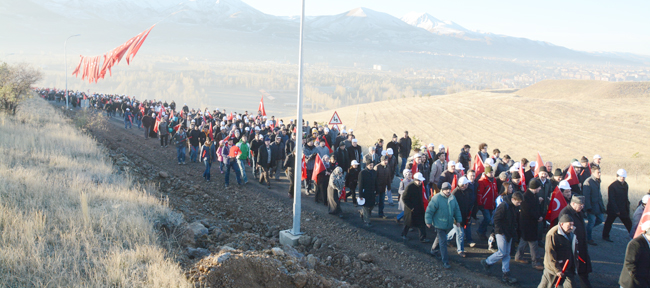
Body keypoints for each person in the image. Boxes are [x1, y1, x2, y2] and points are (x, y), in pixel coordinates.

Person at [481, 191, 523, 285]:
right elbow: (496, 219)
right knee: (502, 252)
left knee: (507, 253)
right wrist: (500, 231)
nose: (519, 204)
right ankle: (487, 262)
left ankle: (506, 273)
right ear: (513, 199)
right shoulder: (504, 206)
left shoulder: (512, 207)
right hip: (502, 232)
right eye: (518, 202)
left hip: (509, 233)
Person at [426, 182, 463, 269]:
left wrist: (458, 220)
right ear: (442, 190)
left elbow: (456, 210)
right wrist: (428, 221)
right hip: (439, 223)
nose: (448, 191)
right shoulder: (436, 198)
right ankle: (445, 261)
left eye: (449, 189)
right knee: (443, 242)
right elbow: (430, 210)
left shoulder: (452, 198)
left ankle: (433, 250)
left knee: (439, 237)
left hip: (448, 223)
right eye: (446, 189)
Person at [559, 196, 593, 288]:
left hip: (581, 245)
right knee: (568, 271)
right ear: (573, 204)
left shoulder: (579, 212)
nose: (582, 207)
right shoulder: (565, 213)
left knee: (583, 270)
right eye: (580, 205)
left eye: (583, 205)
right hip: (571, 247)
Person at [537, 214, 578, 288]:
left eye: (572, 225)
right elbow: (550, 253)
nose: (572, 227)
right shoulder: (552, 234)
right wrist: (557, 270)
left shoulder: (572, 232)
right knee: (546, 285)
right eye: (569, 225)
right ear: (561, 224)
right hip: (553, 268)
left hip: (568, 267)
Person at [515, 179, 544, 270]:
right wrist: (537, 217)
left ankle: (518, 256)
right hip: (528, 224)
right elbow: (528, 211)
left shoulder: (533, 195)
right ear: (535, 188)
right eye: (539, 187)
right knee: (533, 243)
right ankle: (536, 262)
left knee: (524, 240)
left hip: (529, 224)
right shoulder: (526, 197)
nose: (540, 188)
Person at [603, 169, 632, 242]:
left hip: (623, 208)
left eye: (623, 177)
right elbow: (611, 199)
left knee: (628, 223)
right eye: (621, 176)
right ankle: (605, 236)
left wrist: (627, 207)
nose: (622, 178)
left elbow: (626, 197)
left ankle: (633, 236)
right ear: (617, 176)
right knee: (609, 223)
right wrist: (616, 210)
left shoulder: (626, 185)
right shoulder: (612, 186)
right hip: (613, 208)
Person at [447, 176, 473, 258]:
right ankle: (460, 250)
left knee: (456, 230)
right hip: (457, 217)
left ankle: (446, 239)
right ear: (463, 185)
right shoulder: (455, 193)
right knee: (460, 233)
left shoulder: (466, 191)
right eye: (466, 184)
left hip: (464, 215)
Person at [619, 221, 650, 288]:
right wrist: (639, 281)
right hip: (631, 284)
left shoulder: (647, 243)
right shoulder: (636, 243)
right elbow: (630, 264)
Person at [401, 172, 429, 242]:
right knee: (408, 223)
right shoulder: (410, 187)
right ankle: (403, 234)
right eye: (419, 181)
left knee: (421, 223)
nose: (420, 182)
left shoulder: (420, 186)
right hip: (410, 209)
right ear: (415, 180)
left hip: (419, 208)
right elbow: (404, 198)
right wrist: (411, 207)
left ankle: (422, 237)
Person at [582, 165, 604, 245]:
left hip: (597, 205)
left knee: (600, 220)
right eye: (598, 172)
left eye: (600, 172)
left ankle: (585, 230)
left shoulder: (597, 181)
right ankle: (588, 238)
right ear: (593, 172)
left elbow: (599, 194)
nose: (600, 174)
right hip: (591, 206)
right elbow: (586, 196)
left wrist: (602, 206)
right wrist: (588, 207)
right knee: (591, 222)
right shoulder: (588, 182)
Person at [477, 166, 498, 240]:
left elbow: (495, 191)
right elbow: (480, 193)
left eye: (492, 172)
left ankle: (483, 232)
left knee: (489, 218)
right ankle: (480, 230)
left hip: (491, 203)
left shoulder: (494, 180)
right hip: (485, 204)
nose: (491, 174)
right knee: (487, 218)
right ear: (486, 173)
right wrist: (480, 203)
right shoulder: (482, 181)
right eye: (490, 172)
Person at [358, 160, 378, 227]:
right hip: (365, 192)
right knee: (366, 206)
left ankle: (362, 212)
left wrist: (377, 191)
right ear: (367, 165)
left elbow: (376, 182)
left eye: (372, 165)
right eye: (370, 165)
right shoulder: (362, 173)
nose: (371, 166)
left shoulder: (374, 172)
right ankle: (367, 221)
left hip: (372, 192)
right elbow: (360, 184)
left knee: (371, 206)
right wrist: (360, 194)